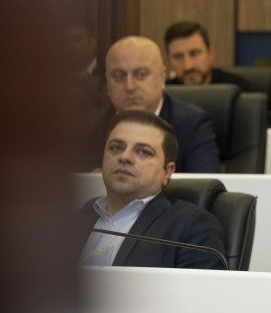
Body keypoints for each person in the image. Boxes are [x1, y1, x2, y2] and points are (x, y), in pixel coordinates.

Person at [78, 109, 226, 269]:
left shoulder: (192, 227)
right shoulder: (76, 218)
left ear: (167, 172)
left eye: (143, 152)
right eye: (116, 148)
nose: (125, 157)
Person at [77, 35, 221, 173]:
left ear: (162, 77)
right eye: (119, 76)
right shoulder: (85, 128)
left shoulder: (192, 124)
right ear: (107, 81)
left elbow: (202, 185)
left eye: (140, 74)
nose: (130, 86)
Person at [163, 20, 252, 90]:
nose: (188, 66)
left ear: (210, 53)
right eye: (178, 57)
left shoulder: (237, 89)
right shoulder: (163, 93)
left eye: (194, 54)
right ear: (169, 61)